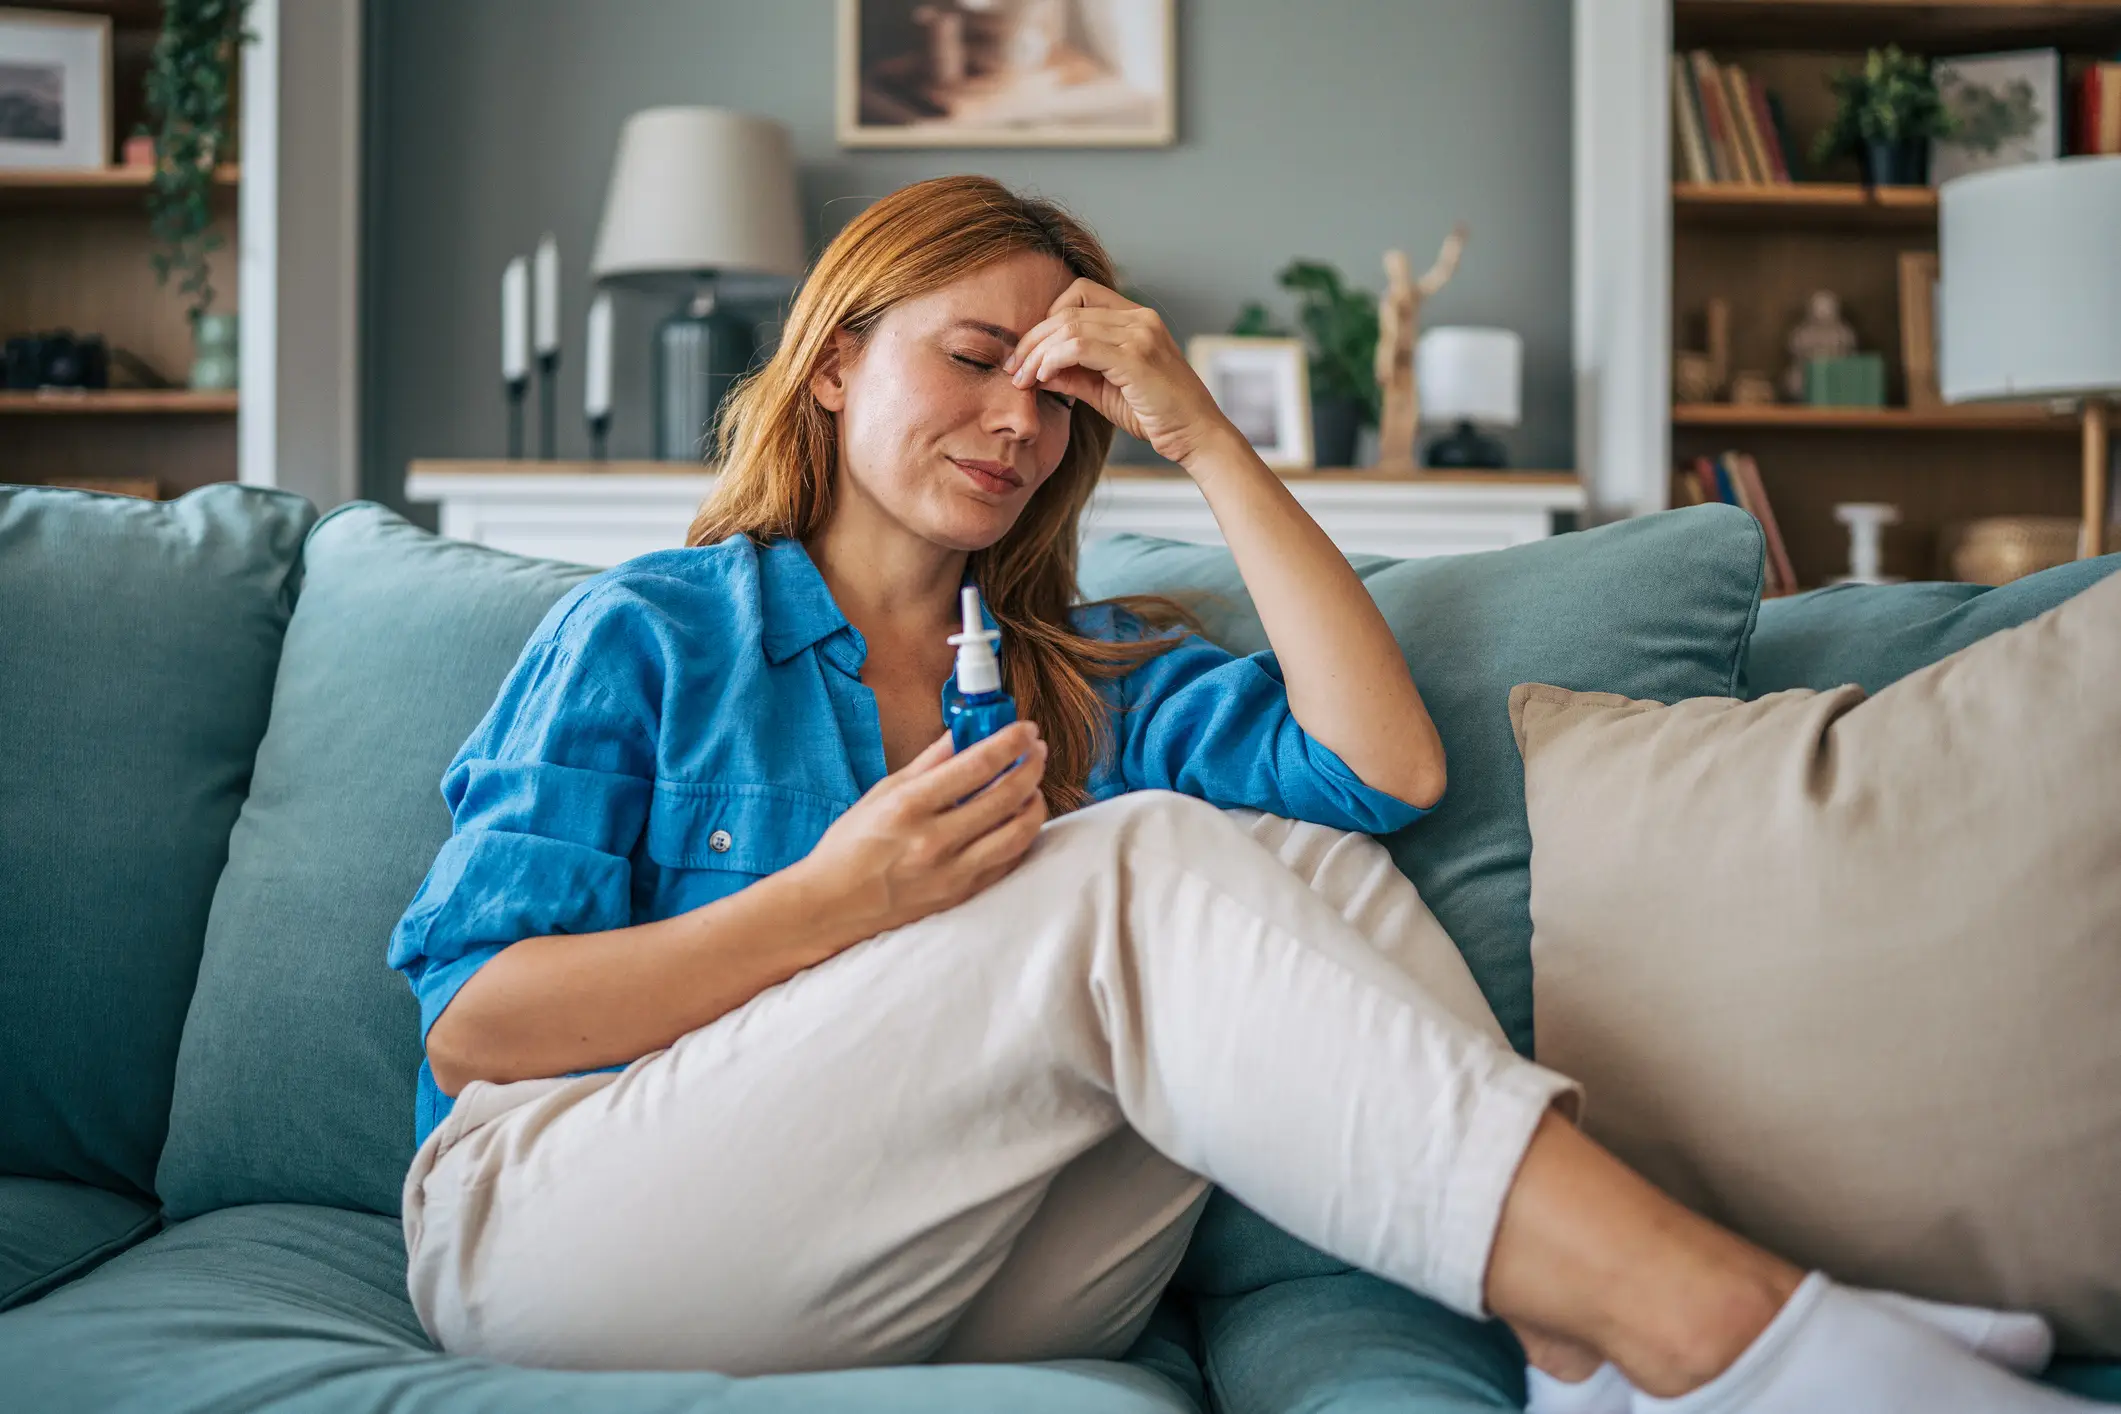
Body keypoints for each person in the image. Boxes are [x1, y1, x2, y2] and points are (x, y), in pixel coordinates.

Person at [389, 176, 2088, 1414]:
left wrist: (1199, 431)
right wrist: (849, 897)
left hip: (947, 1278)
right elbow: (478, 1021)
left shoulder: (1081, 671)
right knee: (1128, 862)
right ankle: (1719, 1323)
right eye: (969, 359)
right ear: (834, 360)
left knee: (1286, 851)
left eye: (1052, 397)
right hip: (558, 1224)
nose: (1013, 425)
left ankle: (1582, 1354)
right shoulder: (655, 631)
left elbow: (1382, 769)